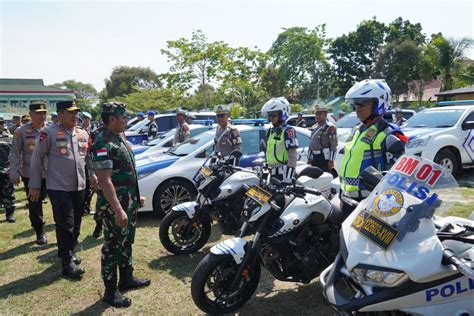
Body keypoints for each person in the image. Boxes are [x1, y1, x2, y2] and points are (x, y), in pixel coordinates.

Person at [91, 102, 150, 308]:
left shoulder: (119, 139)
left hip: (129, 202)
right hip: (114, 206)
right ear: (112, 118)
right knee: (112, 247)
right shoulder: (102, 142)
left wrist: (135, 198)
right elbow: (105, 181)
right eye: (122, 117)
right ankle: (110, 291)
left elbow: (127, 173)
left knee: (126, 242)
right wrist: (117, 208)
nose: (126, 120)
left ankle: (126, 278)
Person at [29, 100, 93, 279]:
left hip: (79, 185)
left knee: (77, 224)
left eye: (76, 112)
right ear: (60, 114)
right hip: (59, 187)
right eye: (70, 112)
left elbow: (87, 158)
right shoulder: (47, 133)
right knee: (65, 225)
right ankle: (67, 263)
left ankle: (68, 252)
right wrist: (34, 184)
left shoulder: (82, 132)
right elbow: (36, 159)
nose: (75, 116)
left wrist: (93, 176)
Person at [339, 79, 407, 216]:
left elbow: (398, 177)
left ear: (379, 104)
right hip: (348, 200)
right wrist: (342, 194)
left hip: (371, 203)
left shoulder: (388, 135)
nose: (357, 107)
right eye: (355, 103)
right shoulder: (357, 130)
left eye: (362, 103)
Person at [10, 102, 48, 243]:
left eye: (43, 113)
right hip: (31, 174)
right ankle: (39, 232)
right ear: (30, 115)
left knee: (59, 203)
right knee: (34, 205)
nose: (41, 116)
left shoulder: (51, 130)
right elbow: (15, 153)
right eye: (38, 113)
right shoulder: (21, 131)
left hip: (51, 174)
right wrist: (14, 171)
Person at [261, 97, 298, 183]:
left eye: (274, 115)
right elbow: (269, 153)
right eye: (270, 115)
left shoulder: (288, 131)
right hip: (272, 175)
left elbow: (293, 157)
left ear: (282, 114)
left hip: (283, 175)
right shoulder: (270, 131)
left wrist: (288, 178)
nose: (271, 118)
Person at [308, 105, 338, 174]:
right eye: (316, 114)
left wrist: (331, 160)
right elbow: (311, 143)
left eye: (319, 114)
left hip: (324, 158)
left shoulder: (330, 127)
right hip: (315, 157)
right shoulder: (314, 126)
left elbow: (334, 145)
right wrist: (309, 157)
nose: (317, 116)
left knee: (325, 177)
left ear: (325, 115)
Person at [0, 117, 15, 223]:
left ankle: (9, 214)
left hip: (7, 170)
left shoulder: (10, 136)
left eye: (1, 123)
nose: (0, 125)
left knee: (8, 193)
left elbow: (15, 152)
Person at [82, 111, 94, 215]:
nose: (86, 121)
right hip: (83, 163)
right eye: (85, 119)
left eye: (88, 119)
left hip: (90, 162)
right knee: (85, 187)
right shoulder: (80, 131)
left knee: (89, 188)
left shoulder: (91, 131)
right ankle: (84, 207)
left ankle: (87, 206)